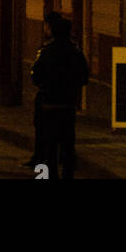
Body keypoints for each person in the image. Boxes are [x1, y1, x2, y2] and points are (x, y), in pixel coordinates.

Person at [30, 14, 89, 180]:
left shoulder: (46, 52)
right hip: (68, 106)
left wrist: (46, 85)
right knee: (68, 146)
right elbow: (84, 77)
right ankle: (68, 175)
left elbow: (35, 76)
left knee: (49, 146)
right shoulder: (76, 53)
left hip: (49, 104)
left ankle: (49, 176)